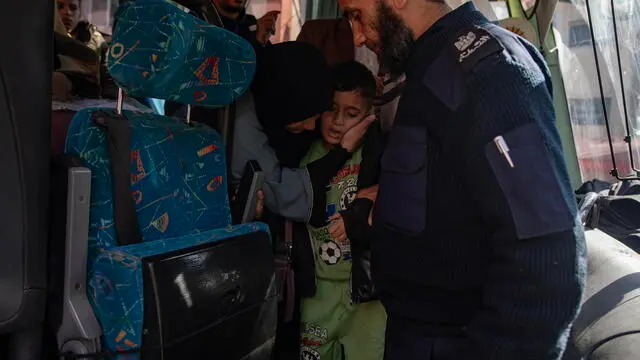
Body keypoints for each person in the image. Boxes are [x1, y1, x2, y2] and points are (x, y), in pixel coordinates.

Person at [341, 1, 587, 359]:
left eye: (356, 15)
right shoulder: (430, 67)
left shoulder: (490, 72)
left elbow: (547, 257)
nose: (359, 37)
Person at [231, 41, 373, 360]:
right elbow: (285, 192)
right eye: (304, 117)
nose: (311, 127)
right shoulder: (244, 126)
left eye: (314, 115)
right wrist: (341, 152)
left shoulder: (284, 115)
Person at [296, 61, 386, 360]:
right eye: (330, 109)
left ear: (369, 115)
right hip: (318, 291)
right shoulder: (306, 157)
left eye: (351, 114)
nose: (336, 121)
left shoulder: (377, 154)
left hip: (366, 295)